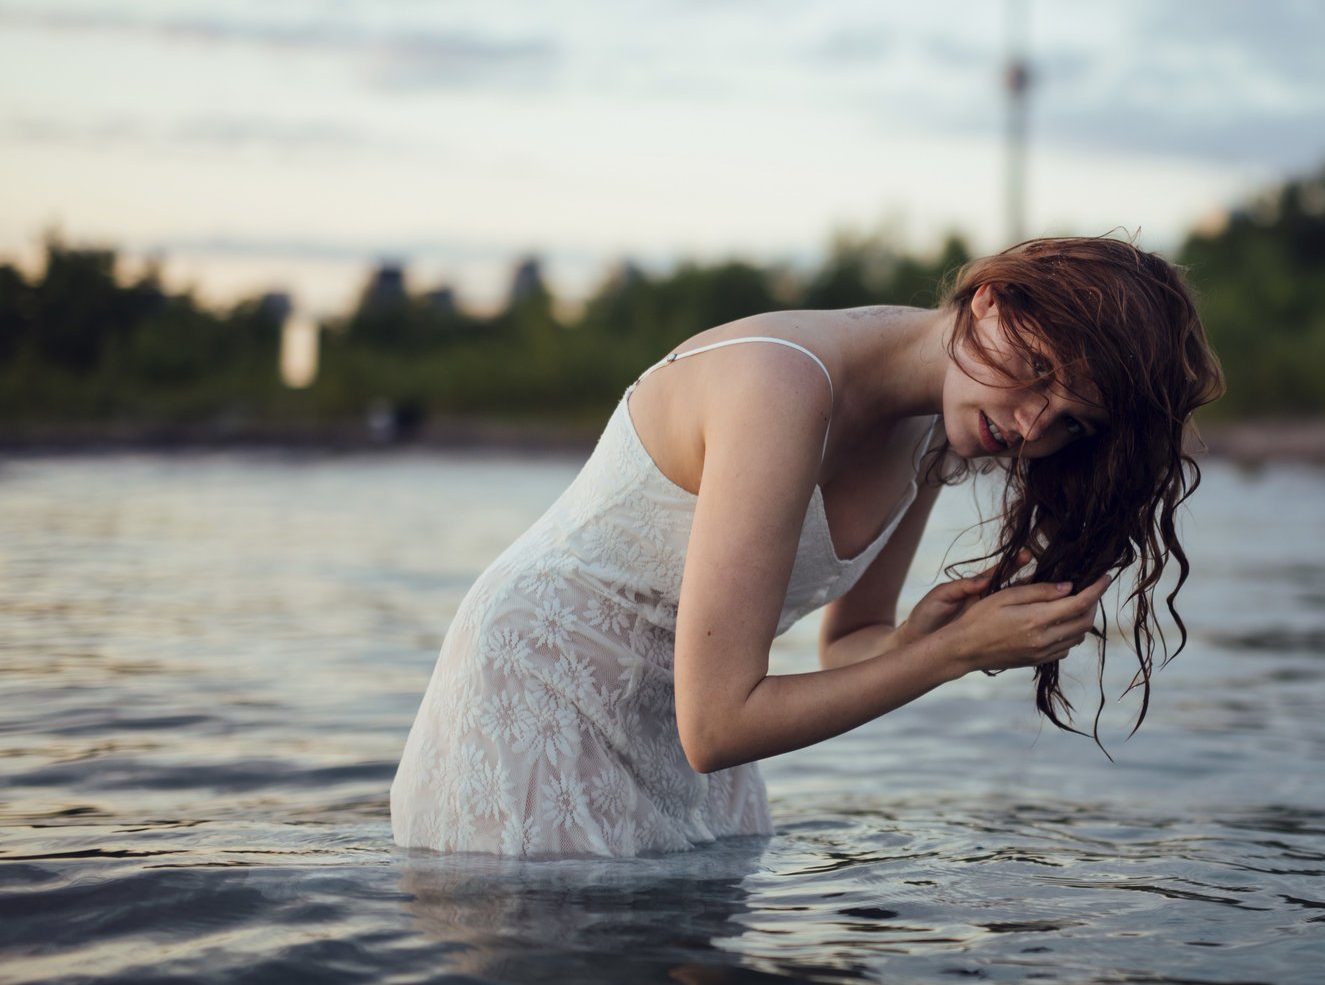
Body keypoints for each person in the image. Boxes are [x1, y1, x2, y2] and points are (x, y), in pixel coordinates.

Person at [389, 235, 1225, 857]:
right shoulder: (781, 385)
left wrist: (912, 641)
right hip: (545, 684)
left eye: (1071, 420)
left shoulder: (943, 428)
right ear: (990, 301)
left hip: (681, 720)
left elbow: (845, 647)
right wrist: (953, 657)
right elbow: (717, 725)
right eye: (1038, 371)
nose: (1034, 426)